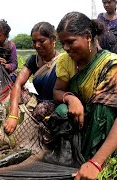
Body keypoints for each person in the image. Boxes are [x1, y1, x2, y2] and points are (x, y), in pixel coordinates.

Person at [54, 11, 117, 180]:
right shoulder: (65, 60)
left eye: (70, 42)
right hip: (79, 122)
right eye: (62, 43)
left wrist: (96, 162)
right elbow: (57, 91)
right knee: (61, 110)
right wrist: (71, 99)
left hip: (105, 130)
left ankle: (97, 159)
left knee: (101, 108)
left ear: (88, 36)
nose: (65, 48)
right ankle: (73, 156)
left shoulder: (111, 65)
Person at [4, 22, 60, 134]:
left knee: (41, 110)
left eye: (41, 41)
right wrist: (13, 114)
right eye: (34, 42)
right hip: (39, 99)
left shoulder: (62, 61)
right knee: (14, 93)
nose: (37, 45)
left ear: (53, 39)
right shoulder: (33, 60)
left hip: (54, 103)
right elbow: (18, 84)